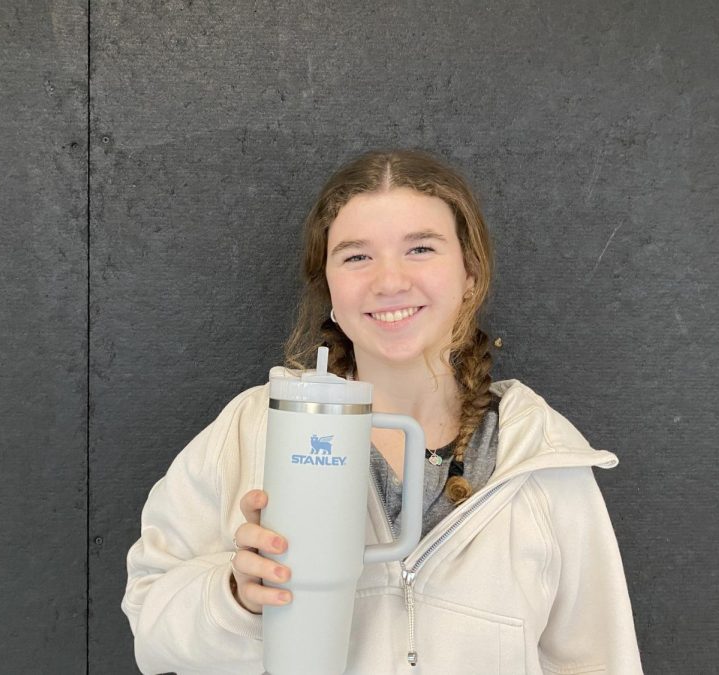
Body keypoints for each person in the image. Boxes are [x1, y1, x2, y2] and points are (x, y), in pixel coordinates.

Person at [122, 149, 643, 674]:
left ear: (470, 273)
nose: (389, 281)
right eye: (356, 256)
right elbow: (150, 623)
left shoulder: (544, 459)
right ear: (328, 284)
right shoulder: (256, 427)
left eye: (420, 248)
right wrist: (234, 597)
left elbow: (600, 660)